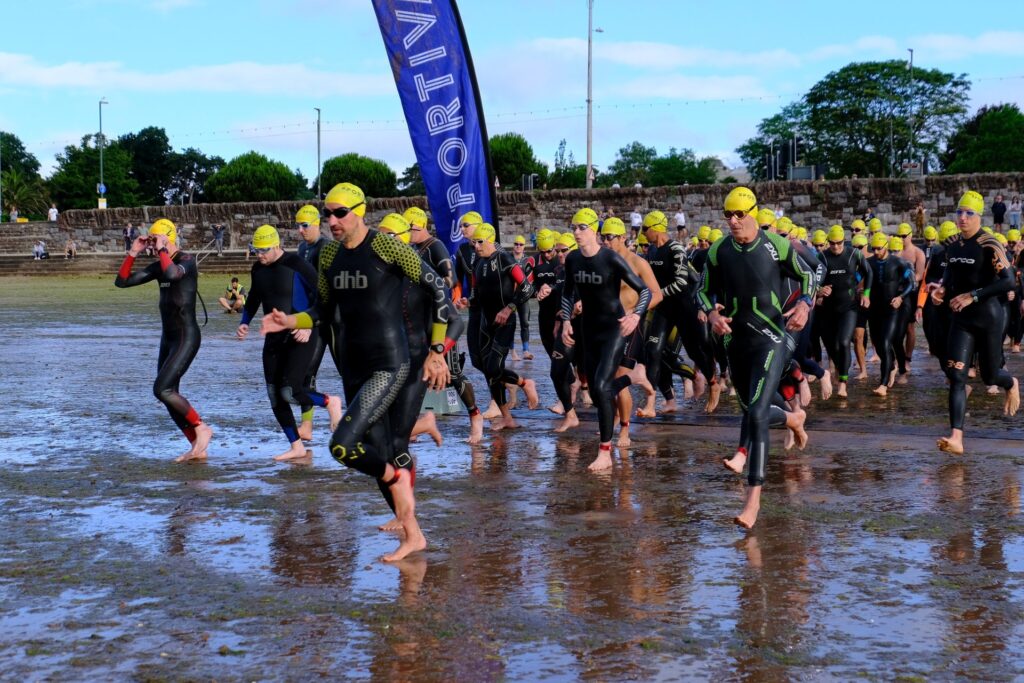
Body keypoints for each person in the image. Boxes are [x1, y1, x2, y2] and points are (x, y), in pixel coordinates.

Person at [261, 182, 449, 563]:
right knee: (380, 451)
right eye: (326, 213)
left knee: (342, 445)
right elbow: (324, 309)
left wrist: (437, 350)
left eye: (339, 213)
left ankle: (398, 482)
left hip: (389, 363)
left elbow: (439, 289)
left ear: (359, 212)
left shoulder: (387, 246)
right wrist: (290, 319)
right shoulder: (328, 256)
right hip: (352, 366)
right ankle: (414, 535)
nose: (331, 220)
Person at [698, 187, 816, 529]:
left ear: (753, 213)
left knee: (759, 412)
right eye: (727, 215)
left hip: (771, 337)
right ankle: (794, 420)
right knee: (750, 408)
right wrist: (711, 314)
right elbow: (702, 290)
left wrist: (805, 304)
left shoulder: (775, 246)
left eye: (739, 215)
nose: (733, 221)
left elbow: (809, 273)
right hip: (737, 340)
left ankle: (752, 502)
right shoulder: (719, 251)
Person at [239, 225, 342, 461]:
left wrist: (309, 324)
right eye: (255, 250)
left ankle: (330, 401)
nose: (259, 255)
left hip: (301, 333)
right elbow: (255, 295)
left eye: (263, 250)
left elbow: (323, 297)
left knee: (290, 391)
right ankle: (296, 446)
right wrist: (245, 321)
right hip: (274, 336)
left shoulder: (296, 264)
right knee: (274, 395)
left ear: (276, 245)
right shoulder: (258, 268)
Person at [114, 219, 212, 462]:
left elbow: (172, 273)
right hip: (168, 338)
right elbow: (122, 281)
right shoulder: (160, 265)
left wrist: (163, 249)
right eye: (151, 239)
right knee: (169, 396)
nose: (152, 244)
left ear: (168, 239)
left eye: (156, 238)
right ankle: (196, 446)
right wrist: (133, 252)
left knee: (162, 389)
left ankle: (201, 428)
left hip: (186, 336)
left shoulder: (187, 261)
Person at [930, 191, 1020, 454]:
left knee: (989, 375)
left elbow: (1008, 282)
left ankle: (1011, 383)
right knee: (955, 375)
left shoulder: (989, 243)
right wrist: (941, 290)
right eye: (959, 212)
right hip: (962, 320)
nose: (963, 218)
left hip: (989, 318)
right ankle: (956, 437)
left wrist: (973, 295)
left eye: (969, 213)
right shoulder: (955, 244)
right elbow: (950, 274)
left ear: (979, 216)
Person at [560, 208, 650, 470]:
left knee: (600, 386)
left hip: (613, 329)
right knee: (598, 391)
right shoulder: (573, 259)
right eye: (574, 227)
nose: (577, 232)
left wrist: (635, 316)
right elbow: (567, 294)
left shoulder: (610, 259)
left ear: (595, 232)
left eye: (582, 227)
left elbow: (643, 290)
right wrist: (566, 320)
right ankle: (632, 378)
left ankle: (604, 452)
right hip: (589, 330)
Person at [404, 206, 485, 445]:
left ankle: (475, 416)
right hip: (425, 320)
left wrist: (428, 286)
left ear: (422, 227)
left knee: (454, 374)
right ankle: (416, 423)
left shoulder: (434, 246)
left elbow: (450, 279)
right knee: (417, 372)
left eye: (413, 229)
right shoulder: (414, 249)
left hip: (446, 321)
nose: (409, 234)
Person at [471, 223, 539, 430]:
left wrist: (509, 308)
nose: (476, 246)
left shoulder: (505, 259)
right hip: (486, 322)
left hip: (505, 321)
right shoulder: (478, 263)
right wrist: (466, 301)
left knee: (494, 368)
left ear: (491, 240)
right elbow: (477, 294)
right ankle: (507, 417)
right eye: (474, 242)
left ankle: (525, 383)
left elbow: (527, 288)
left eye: (480, 242)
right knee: (486, 369)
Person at [294, 204, 336, 440]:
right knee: (305, 373)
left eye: (305, 225)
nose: (300, 230)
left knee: (350, 373)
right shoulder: (302, 249)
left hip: (332, 321)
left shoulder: (327, 247)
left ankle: (362, 423)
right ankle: (307, 426)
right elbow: (301, 288)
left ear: (317, 224)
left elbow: (326, 290)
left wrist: (310, 321)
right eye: (298, 225)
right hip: (314, 319)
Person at [814, 225, 871, 398]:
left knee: (844, 341)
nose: (836, 247)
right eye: (832, 243)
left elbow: (869, 272)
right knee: (831, 346)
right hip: (828, 310)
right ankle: (840, 370)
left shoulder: (854, 254)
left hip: (849, 308)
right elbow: (812, 278)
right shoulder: (822, 256)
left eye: (839, 243)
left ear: (844, 241)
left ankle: (843, 384)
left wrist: (866, 294)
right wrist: (819, 289)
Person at [865, 233, 914, 397]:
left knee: (886, 343)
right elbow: (856, 278)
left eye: (880, 248)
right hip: (874, 310)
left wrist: (901, 297)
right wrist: (858, 291)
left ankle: (883, 384)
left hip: (891, 309)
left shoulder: (898, 262)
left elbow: (911, 283)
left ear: (886, 246)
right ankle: (891, 367)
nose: (877, 251)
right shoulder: (869, 262)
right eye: (874, 248)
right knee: (879, 346)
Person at [509, 234, 535, 360]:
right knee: (510, 325)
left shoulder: (527, 261)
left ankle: (526, 351)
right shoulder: (507, 258)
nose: (518, 246)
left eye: (520, 244)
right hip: (509, 297)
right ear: (513, 246)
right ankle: (512, 352)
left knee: (525, 323)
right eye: (516, 244)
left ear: (524, 247)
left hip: (523, 296)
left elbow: (530, 280)